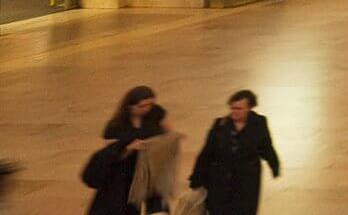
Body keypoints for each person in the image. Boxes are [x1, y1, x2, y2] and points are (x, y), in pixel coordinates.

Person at [188, 89, 280, 215]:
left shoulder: (259, 124)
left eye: (239, 109)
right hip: (221, 182)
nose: (234, 112)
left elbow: (266, 147)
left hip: (246, 183)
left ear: (249, 108)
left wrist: (274, 165)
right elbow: (207, 153)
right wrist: (196, 178)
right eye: (232, 108)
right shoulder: (220, 125)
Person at [87, 86, 174, 215]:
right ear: (129, 107)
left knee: (158, 206)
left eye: (150, 104)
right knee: (129, 207)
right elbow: (110, 153)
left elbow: (169, 134)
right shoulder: (115, 126)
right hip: (127, 172)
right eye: (141, 106)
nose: (146, 109)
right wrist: (130, 148)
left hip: (151, 168)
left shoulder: (155, 112)